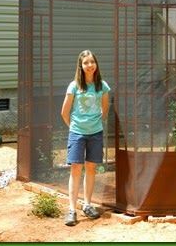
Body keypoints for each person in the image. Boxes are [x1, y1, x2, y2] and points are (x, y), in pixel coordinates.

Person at [61, 50, 110, 226]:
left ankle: (87, 205)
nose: (90, 65)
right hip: (77, 134)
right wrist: (75, 128)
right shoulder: (73, 86)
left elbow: (105, 110)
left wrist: (93, 124)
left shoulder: (102, 86)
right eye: (86, 63)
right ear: (80, 66)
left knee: (91, 169)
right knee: (76, 169)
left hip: (95, 133)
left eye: (92, 62)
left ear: (96, 64)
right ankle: (72, 210)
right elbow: (64, 113)